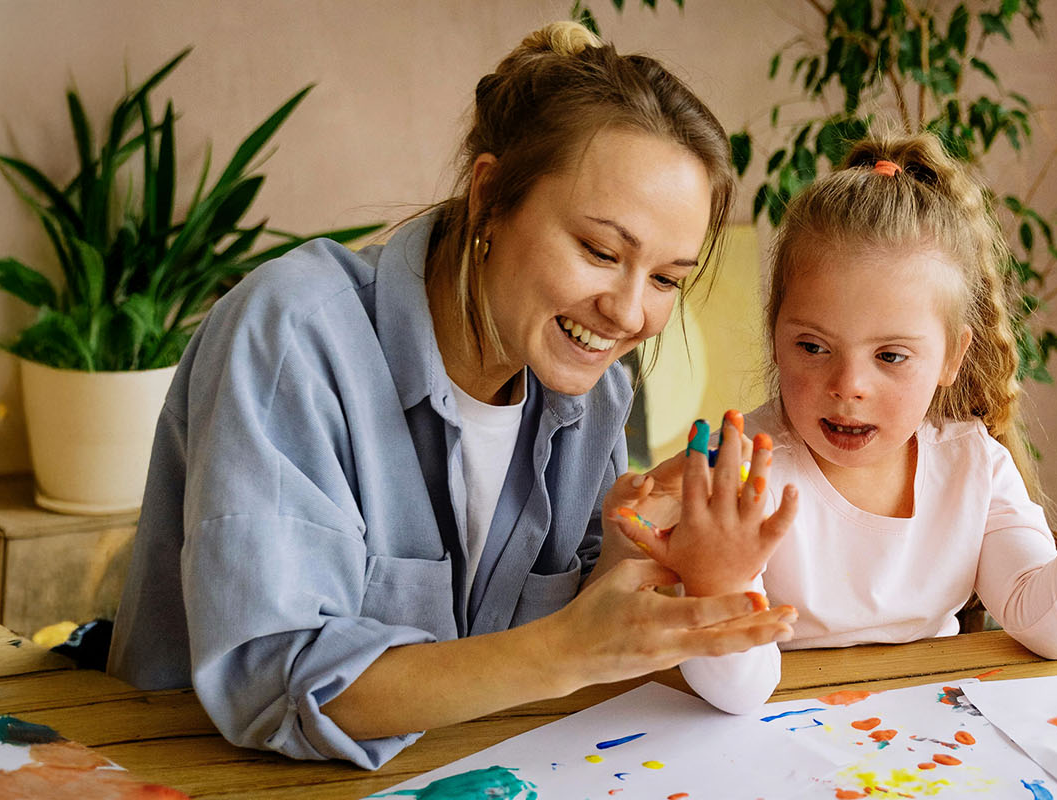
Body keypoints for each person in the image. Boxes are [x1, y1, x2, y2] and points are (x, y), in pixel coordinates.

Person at [107, 21, 798, 769]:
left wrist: (636, 557)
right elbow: (281, 689)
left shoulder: (589, 392)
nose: (631, 314)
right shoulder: (293, 334)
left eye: (667, 278)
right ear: (490, 197)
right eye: (601, 252)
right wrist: (569, 649)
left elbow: (537, 651)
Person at [612, 132, 1057, 713]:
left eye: (891, 356)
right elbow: (740, 689)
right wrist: (715, 577)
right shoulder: (739, 477)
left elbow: (1048, 623)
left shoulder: (973, 468)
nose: (848, 386)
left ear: (951, 357)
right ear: (775, 336)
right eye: (813, 346)